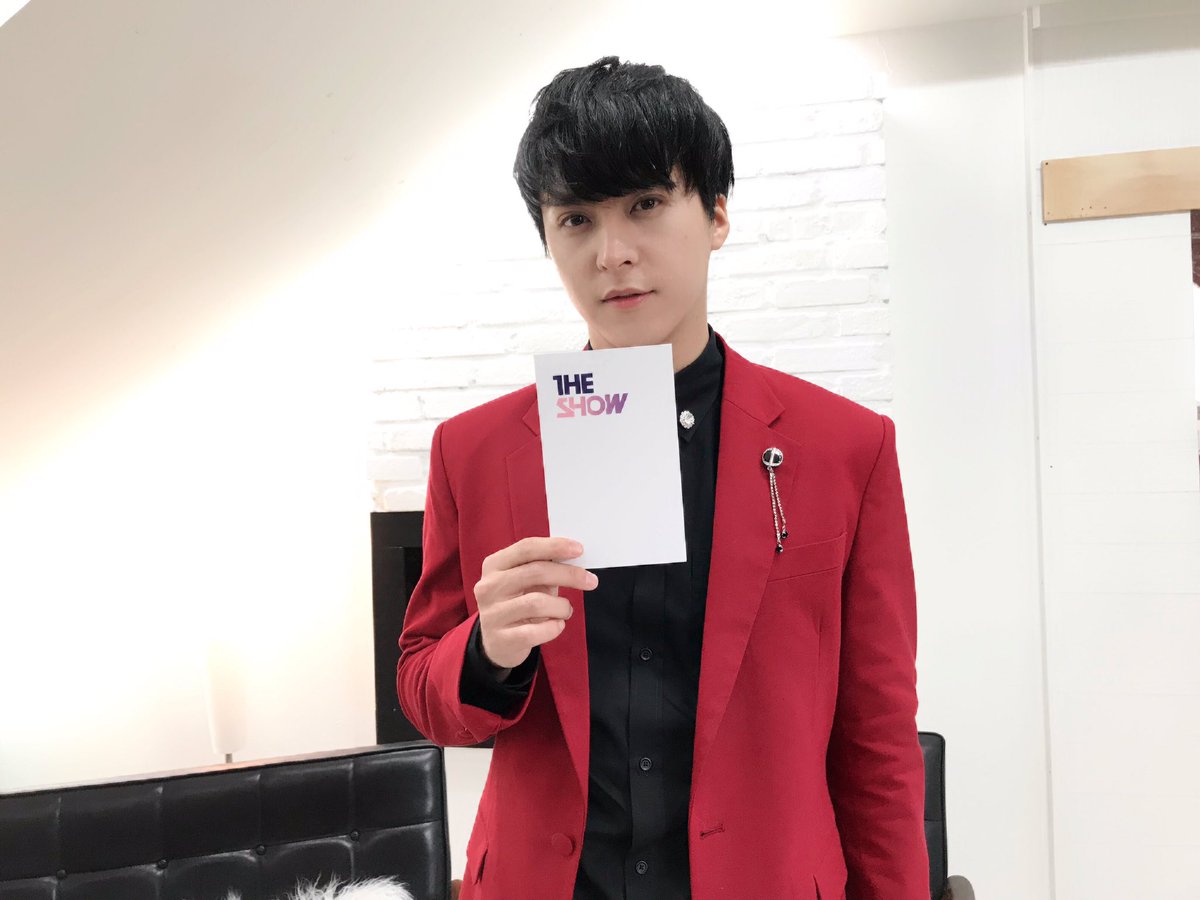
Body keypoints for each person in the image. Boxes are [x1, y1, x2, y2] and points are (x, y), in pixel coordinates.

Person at [397, 56, 928, 900]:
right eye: (576, 219)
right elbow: (424, 692)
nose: (613, 254)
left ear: (716, 214)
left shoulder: (843, 447)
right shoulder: (474, 450)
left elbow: (877, 735)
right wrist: (487, 651)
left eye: (645, 204)